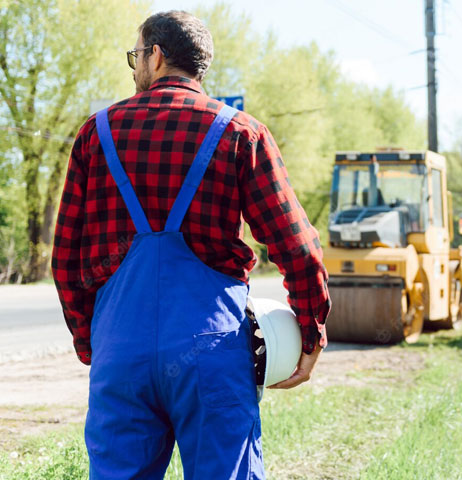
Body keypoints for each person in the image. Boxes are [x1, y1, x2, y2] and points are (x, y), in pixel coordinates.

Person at [51, 10, 330, 479]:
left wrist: (93, 343)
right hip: (212, 351)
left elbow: (65, 260)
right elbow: (297, 246)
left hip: (121, 355)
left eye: (135, 56)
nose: (135, 66)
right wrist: (311, 330)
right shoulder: (241, 132)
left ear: (155, 56)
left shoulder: (94, 135)